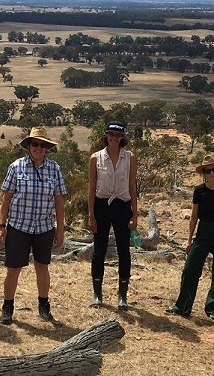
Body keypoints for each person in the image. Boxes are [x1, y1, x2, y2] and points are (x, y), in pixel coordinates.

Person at [0, 127, 67, 324]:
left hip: (44, 227)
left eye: (42, 145)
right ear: (28, 146)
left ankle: (44, 306)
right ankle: (7, 307)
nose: (38, 148)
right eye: (35, 144)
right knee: (13, 269)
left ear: (46, 148)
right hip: (19, 226)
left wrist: (60, 230)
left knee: (42, 267)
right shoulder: (16, 167)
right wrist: (1, 226)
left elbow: (59, 201)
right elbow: (7, 198)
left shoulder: (55, 169)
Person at [165, 155, 214, 318]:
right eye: (208, 170)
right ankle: (183, 307)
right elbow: (193, 216)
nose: (212, 173)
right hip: (203, 232)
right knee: (190, 269)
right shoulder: (200, 191)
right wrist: (189, 240)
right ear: (204, 174)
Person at [88, 121, 137, 309]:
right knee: (99, 250)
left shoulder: (130, 157)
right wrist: (91, 216)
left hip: (123, 206)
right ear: (106, 136)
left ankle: (122, 296)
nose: (114, 138)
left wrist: (135, 214)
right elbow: (92, 188)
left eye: (118, 136)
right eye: (111, 135)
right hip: (102, 205)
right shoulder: (96, 158)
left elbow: (132, 187)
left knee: (124, 250)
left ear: (122, 138)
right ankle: (97, 294)